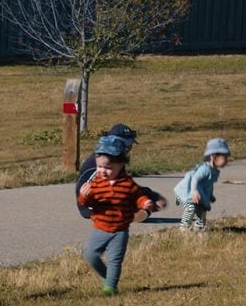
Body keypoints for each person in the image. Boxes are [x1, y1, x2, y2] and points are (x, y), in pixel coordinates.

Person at [77, 136, 155, 296]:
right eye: (99, 167)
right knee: (90, 255)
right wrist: (84, 196)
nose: (102, 171)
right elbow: (85, 203)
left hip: (120, 230)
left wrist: (145, 202)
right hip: (100, 229)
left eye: (108, 167)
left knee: (114, 260)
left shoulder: (127, 184)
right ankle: (108, 278)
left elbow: (138, 196)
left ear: (120, 165)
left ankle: (110, 288)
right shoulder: (97, 183)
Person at [75, 123, 166, 220]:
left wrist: (153, 196)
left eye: (130, 145)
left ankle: (132, 211)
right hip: (91, 204)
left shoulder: (116, 161)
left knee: (142, 191)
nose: (128, 148)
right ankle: (126, 213)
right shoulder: (100, 162)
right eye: (125, 145)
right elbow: (91, 190)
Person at [174, 138, 231, 232]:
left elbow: (208, 184)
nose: (226, 160)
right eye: (224, 157)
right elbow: (194, 179)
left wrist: (210, 195)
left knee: (203, 208)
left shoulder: (214, 171)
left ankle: (199, 227)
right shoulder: (205, 169)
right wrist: (194, 191)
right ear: (213, 156)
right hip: (186, 192)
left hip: (198, 193)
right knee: (191, 208)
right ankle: (183, 228)